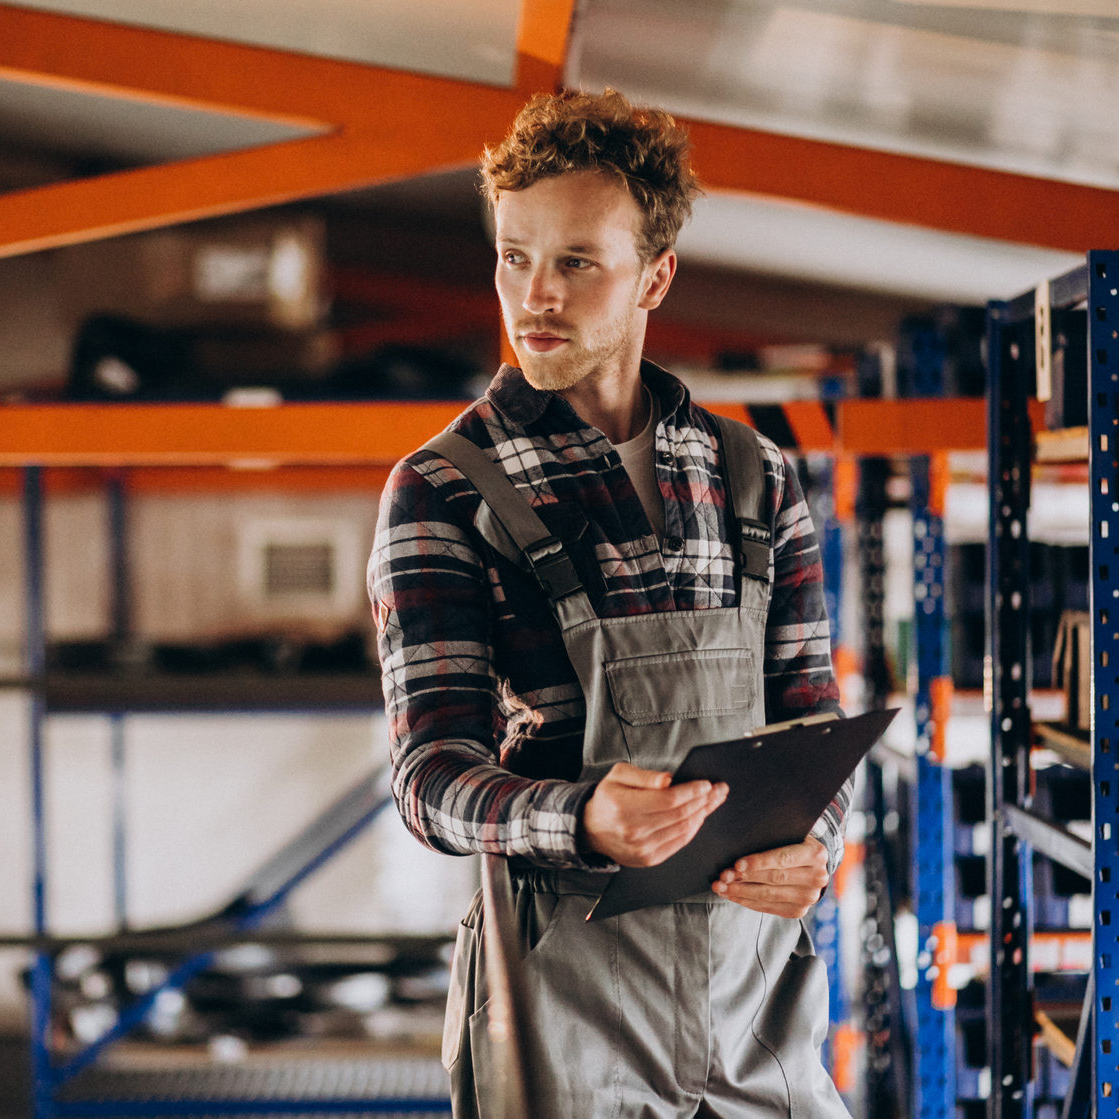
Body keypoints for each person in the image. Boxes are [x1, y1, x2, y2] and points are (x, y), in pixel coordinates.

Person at [366, 88, 852, 1117]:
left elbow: (811, 721)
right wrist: (576, 814)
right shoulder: (444, 489)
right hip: (563, 1011)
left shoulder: (756, 476)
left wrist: (819, 846)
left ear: (655, 277)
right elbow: (428, 778)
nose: (534, 294)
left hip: (755, 994)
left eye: (576, 262)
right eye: (513, 256)